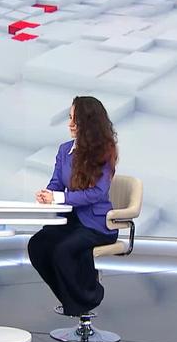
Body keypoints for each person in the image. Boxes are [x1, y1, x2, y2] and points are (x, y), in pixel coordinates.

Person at [27, 96, 118, 317]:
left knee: (63, 250)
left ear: (89, 123)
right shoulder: (64, 150)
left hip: (96, 224)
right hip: (70, 220)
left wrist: (58, 198)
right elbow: (56, 183)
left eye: (75, 120)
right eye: (70, 118)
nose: (70, 124)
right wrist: (47, 195)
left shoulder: (104, 152)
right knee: (37, 245)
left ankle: (88, 297)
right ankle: (72, 300)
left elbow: (97, 193)